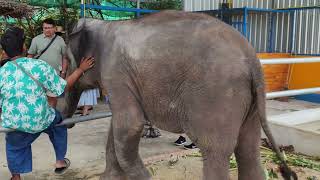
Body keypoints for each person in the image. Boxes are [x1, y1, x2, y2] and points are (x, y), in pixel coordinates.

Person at [0, 26, 94, 180]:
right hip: (40, 119)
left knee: (13, 145)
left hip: (15, 123)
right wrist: (79, 70)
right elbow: (61, 88)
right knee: (59, 122)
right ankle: (59, 161)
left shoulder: (2, 72)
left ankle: (16, 177)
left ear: (4, 52)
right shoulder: (39, 66)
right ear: (24, 47)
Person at [27, 18, 69, 108]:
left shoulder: (60, 40)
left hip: (55, 74)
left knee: (53, 98)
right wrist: (29, 73)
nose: (47, 30)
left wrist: (63, 73)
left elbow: (65, 57)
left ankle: (52, 117)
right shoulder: (36, 40)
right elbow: (30, 56)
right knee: (39, 98)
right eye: (45, 28)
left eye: (49, 28)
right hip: (38, 75)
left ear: (54, 28)